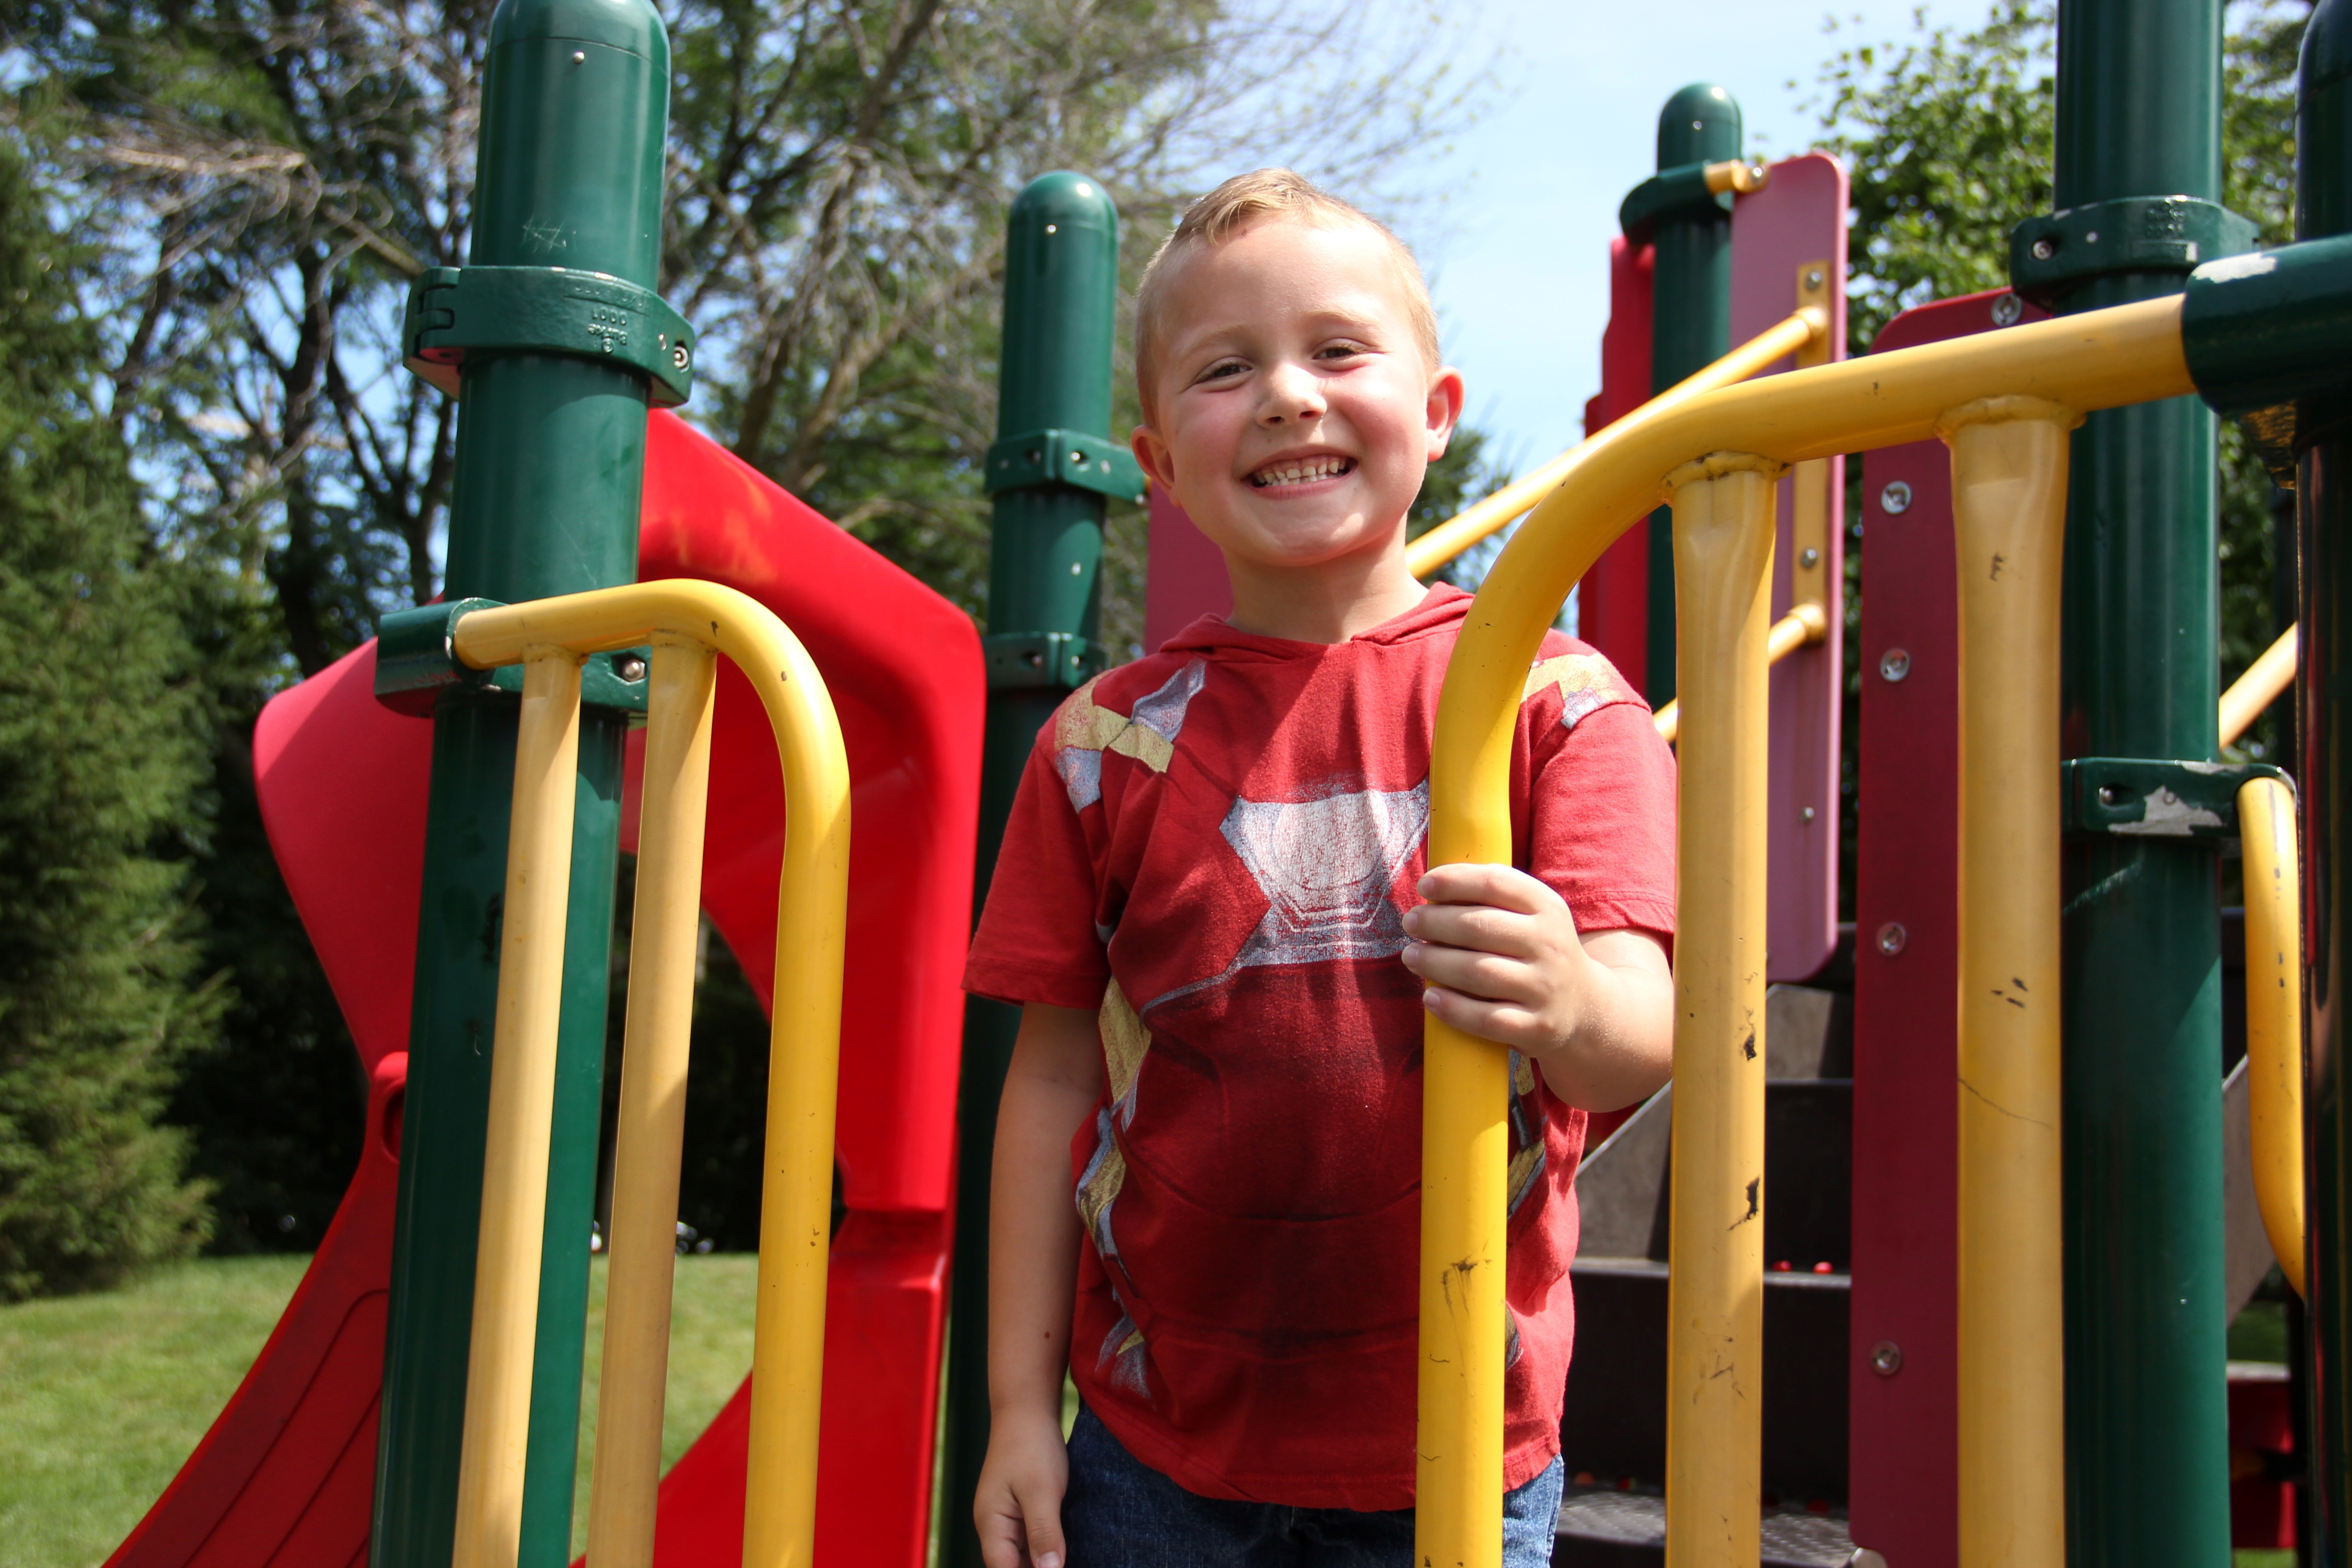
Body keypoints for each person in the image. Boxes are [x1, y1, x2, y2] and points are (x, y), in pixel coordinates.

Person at [964, 167, 1678, 1568]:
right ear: (1159, 463)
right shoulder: (1104, 744)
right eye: (1227, 370)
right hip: (1154, 1444)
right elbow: (1054, 1080)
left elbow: (1636, 1043)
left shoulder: (1559, 702)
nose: (1289, 395)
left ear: (1438, 412)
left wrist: (1570, 1003)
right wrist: (1015, 1408)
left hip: (1461, 1442)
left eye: (1338, 350)